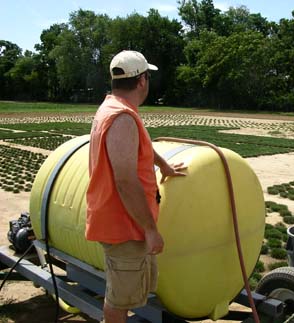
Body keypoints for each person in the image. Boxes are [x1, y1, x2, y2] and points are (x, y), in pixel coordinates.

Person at [85, 50, 186, 323]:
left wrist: (163, 164)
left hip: (123, 222)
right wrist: (150, 230)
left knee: (126, 293)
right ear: (142, 80)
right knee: (119, 301)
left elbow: (135, 148)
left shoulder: (114, 108)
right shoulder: (123, 118)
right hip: (124, 225)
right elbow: (125, 181)